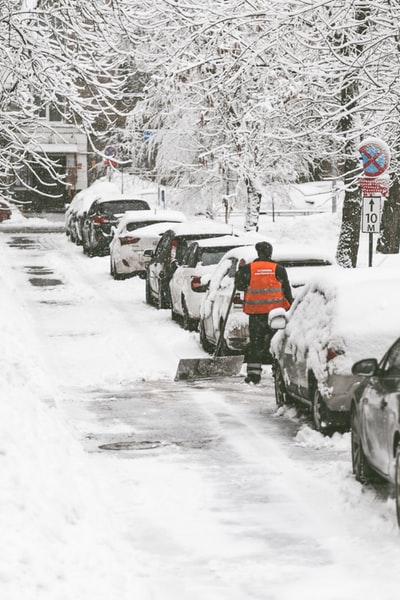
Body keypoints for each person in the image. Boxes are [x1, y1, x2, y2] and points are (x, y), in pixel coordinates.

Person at [235, 241, 293, 384]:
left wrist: (240, 270)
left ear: (258, 253)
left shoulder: (249, 269)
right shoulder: (278, 269)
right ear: (270, 253)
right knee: (276, 344)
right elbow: (287, 291)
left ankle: (254, 375)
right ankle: (277, 372)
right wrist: (290, 308)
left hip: (256, 314)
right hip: (275, 315)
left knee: (256, 344)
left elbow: (240, 287)